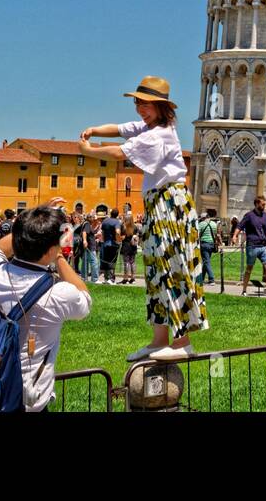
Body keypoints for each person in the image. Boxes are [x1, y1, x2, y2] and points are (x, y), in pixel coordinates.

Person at [80, 75, 207, 361]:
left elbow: (120, 152)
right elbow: (121, 130)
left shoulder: (159, 134)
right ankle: (159, 339)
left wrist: (89, 150)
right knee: (155, 271)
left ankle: (182, 342)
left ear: (162, 108)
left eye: (147, 104)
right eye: (138, 102)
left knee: (172, 267)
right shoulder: (152, 126)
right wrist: (95, 129)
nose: (141, 108)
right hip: (158, 204)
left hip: (169, 204)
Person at [0, 200, 92, 411]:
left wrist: (32, 218)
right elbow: (84, 297)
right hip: (27, 400)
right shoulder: (58, 293)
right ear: (50, 249)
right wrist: (58, 255)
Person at [233, 197, 266, 296]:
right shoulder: (249, 215)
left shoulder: (265, 216)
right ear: (256, 204)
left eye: (264, 204)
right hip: (252, 246)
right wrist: (234, 236)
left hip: (263, 246)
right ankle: (244, 290)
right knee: (249, 269)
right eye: (262, 204)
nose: (264, 206)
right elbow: (240, 226)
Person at [196, 209, 219, 286]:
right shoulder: (214, 224)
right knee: (207, 261)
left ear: (203, 218)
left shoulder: (201, 224)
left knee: (206, 262)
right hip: (212, 244)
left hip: (204, 244)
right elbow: (216, 234)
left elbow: (197, 234)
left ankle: (211, 279)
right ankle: (201, 278)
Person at [99, 209, 121, 285]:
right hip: (113, 244)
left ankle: (106, 278)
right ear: (117, 215)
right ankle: (111, 279)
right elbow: (117, 232)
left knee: (106, 261)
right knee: (112, 261)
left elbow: (103, 232)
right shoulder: (117, 222)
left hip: (105, 243)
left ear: (111, 213)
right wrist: (119, 240)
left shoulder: (105, 221)